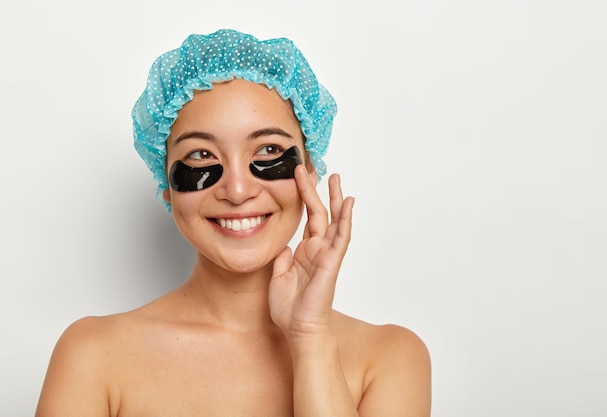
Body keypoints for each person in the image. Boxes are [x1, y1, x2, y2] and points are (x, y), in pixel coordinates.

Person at [35, 29, 431, 416]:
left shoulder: (390, 358)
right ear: (166, 182)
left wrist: (310, 337)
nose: (238, 190)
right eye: (201, 157)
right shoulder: (93, 357)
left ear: (308, 170)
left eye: (270, 150)